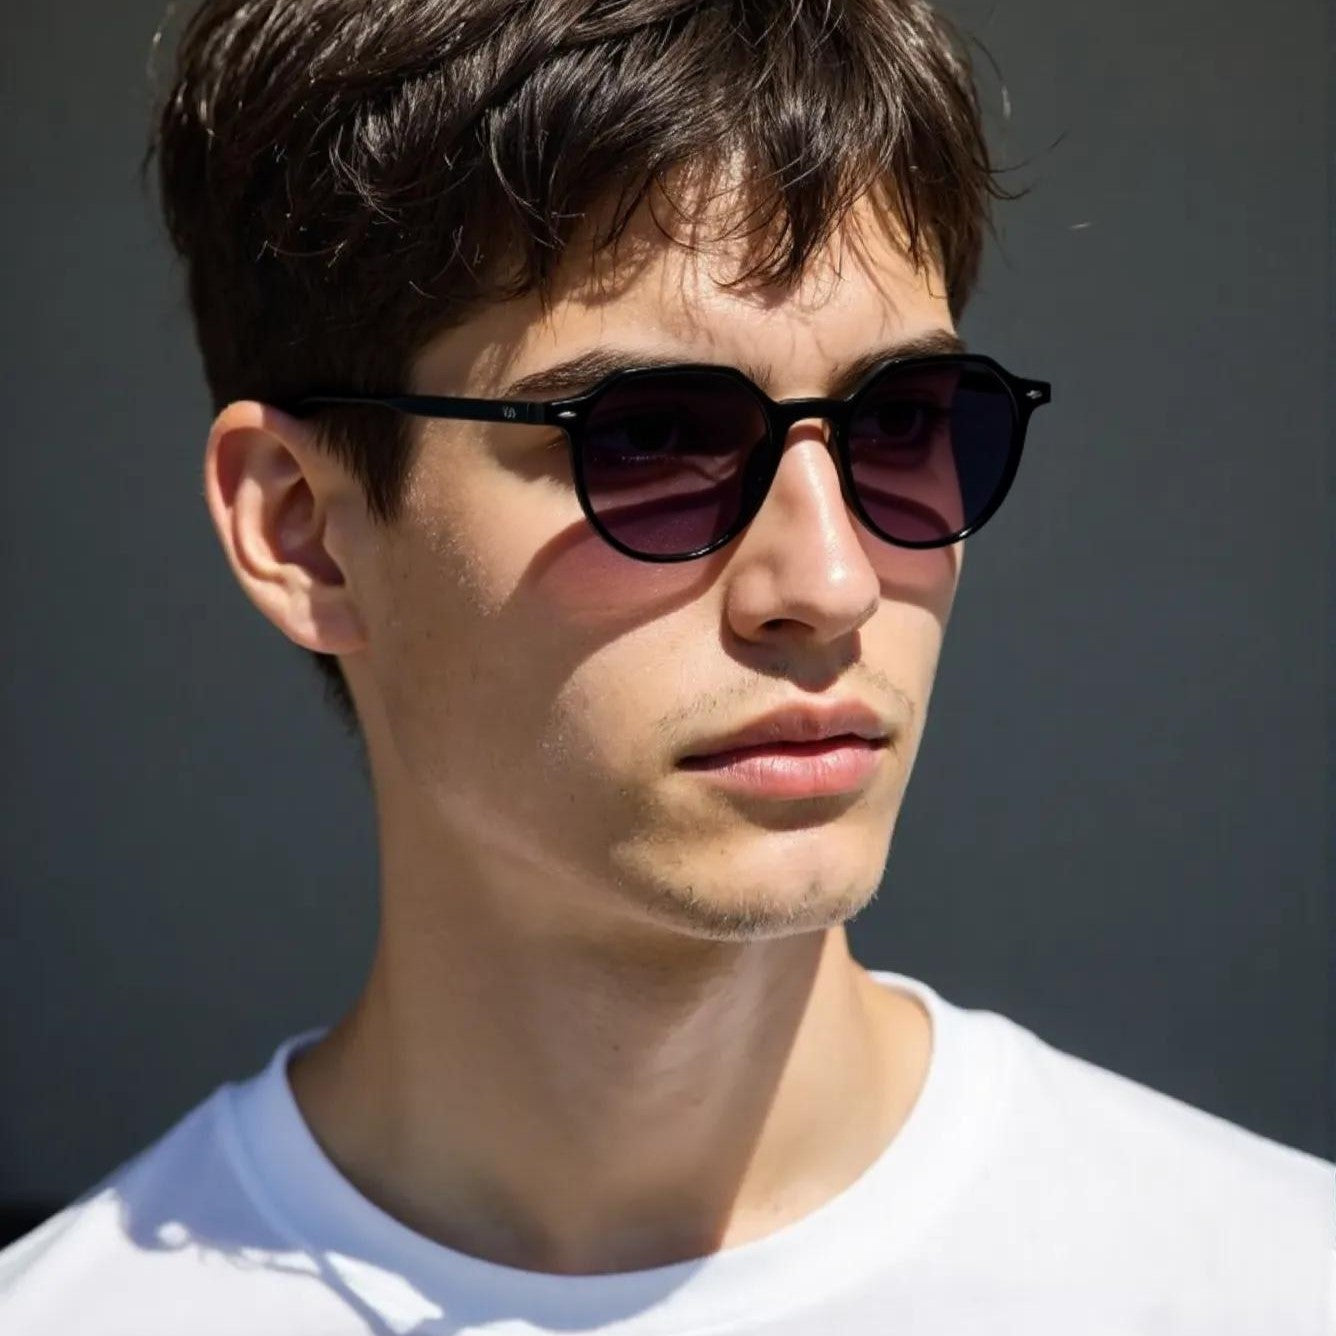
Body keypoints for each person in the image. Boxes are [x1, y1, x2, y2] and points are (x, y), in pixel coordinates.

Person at [2, 0, 1331, 1331]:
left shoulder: (1267, 1280)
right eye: (647, 440)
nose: (829, 583)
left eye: (902, 423)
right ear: (305, 530)